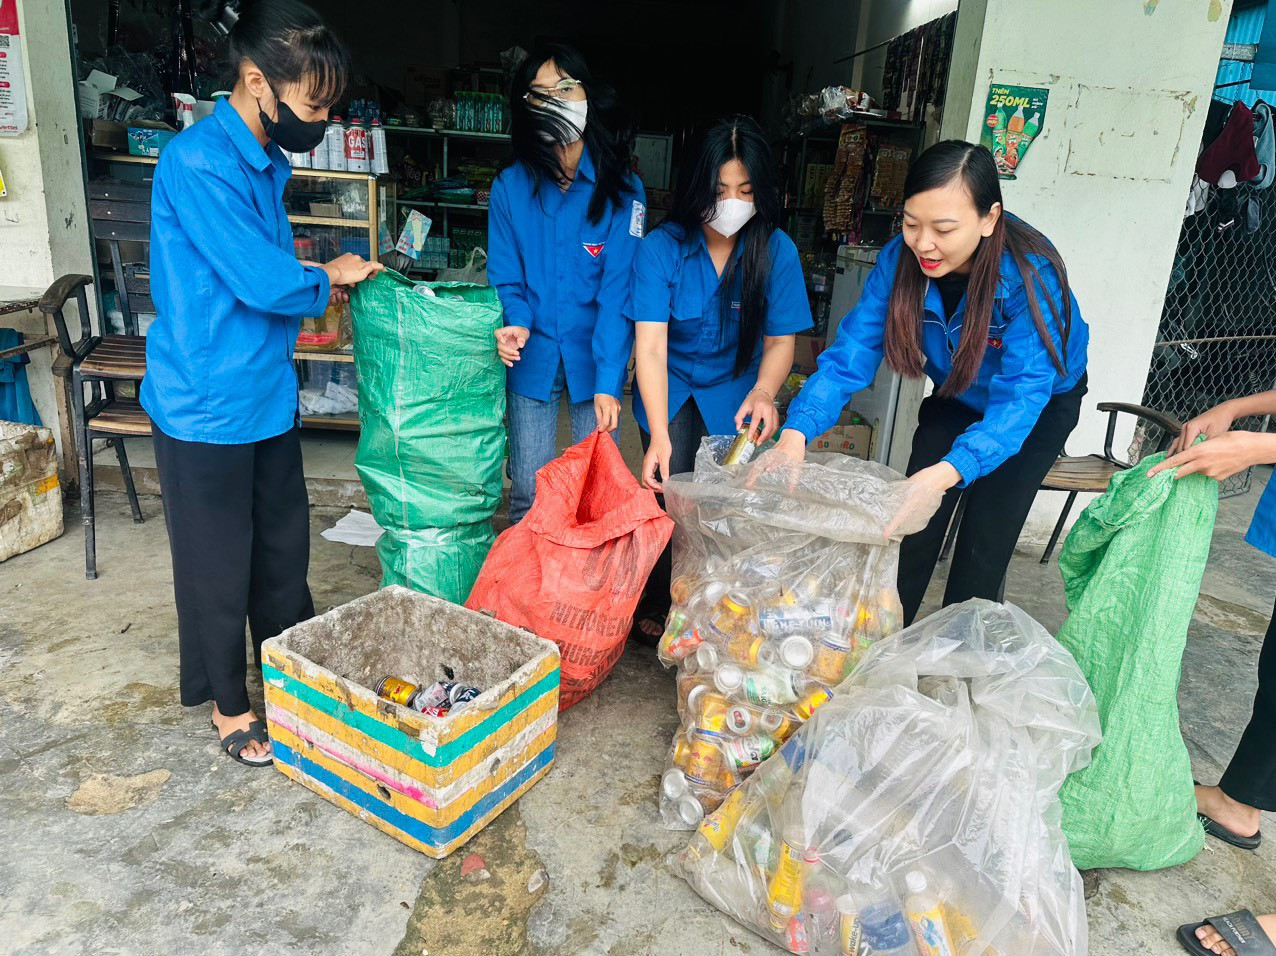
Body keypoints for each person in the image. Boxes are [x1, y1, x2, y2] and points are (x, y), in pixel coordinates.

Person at [142, 0, 381, 766]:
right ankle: (231, 705)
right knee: (218, 564)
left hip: (265, 396)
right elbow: (258, 279)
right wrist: (330, 275)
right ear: (255, 83)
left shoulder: (263, 160)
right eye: (314, 106)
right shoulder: (197, 162)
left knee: (281, 555)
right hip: (205, 403)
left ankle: (289, 684)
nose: (319, 120)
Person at [773, 140, 1089, 625]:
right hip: (958, 390)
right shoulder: (900, 260)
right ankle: (881, 642)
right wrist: (795, 434)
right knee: (912, 522)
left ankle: (954, 659)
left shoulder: (1030, 276)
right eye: (911, 223)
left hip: (1036, 406)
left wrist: (950, 471)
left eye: (943, 229)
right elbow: (851, 352)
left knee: (985, 537)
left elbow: (1022, 395)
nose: (923, 243)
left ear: (989, 219)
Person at [629, 115, 813, 638]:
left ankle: (716, 614)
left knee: (725, 510)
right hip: (669, 386)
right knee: (670, 502)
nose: (731, 202)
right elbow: (651, 345)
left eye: (745, 190)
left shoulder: (776, 250)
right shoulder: (662, 248)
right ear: (696, 189)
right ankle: (662, 603)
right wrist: (660, 434)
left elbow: (780, 342)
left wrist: (764, 391)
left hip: (736, 393)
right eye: (719, 190)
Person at [487, 43, 646, 523]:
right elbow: (505, 277)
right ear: (526, 108)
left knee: (594, 495)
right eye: (539, 94)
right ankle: (527, 595)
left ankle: (583, 596)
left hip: (596, 357)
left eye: (564, 87)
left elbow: (618, 294)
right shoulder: (509, 188)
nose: (554, 101)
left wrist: (608, 379)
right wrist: (515, 322)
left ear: (586, 95)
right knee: (527, 495)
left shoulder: (622, 191)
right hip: (530, 355)